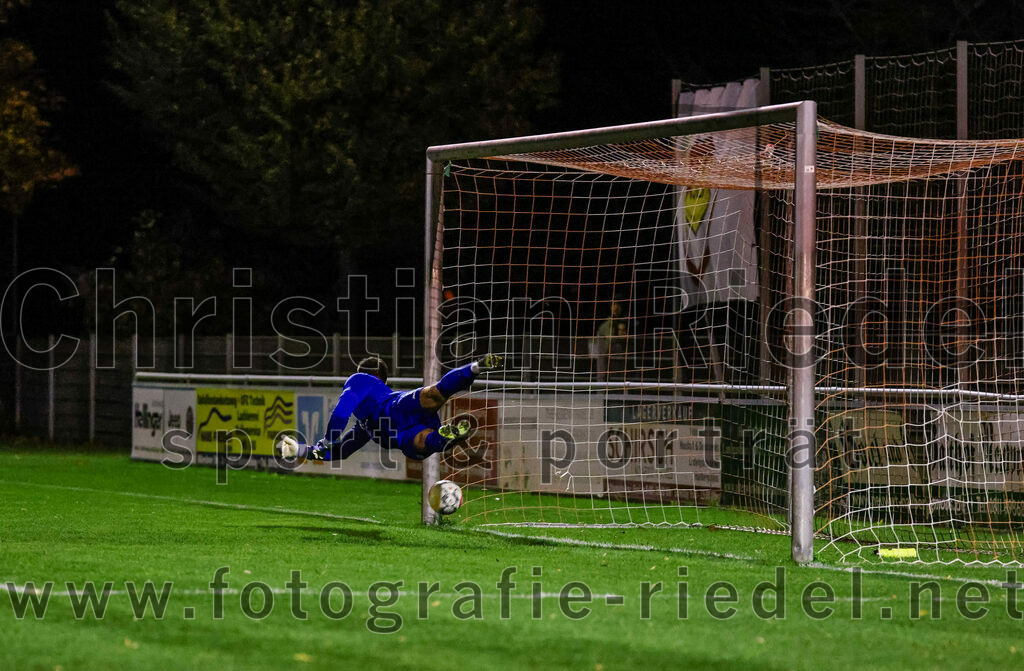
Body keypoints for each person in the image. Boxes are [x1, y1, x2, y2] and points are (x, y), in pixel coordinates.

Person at [276, 353, 502, 462]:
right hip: (401, 409)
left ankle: (443, 439)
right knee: (433, 394)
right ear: (384, 380)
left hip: (392, 418)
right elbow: (343, 446)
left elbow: (340, 417)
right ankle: (474, 368)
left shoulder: (359, 380)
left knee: (421, 443)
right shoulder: (363, 426)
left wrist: (313, 446)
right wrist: (303, 449)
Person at [593, 300, 629, 379]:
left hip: (618, 364)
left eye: (618, 305)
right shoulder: (606, 326)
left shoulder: (623, 323)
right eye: (613, 304)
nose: (615, 308)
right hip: (606, 365)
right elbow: (608, 345)